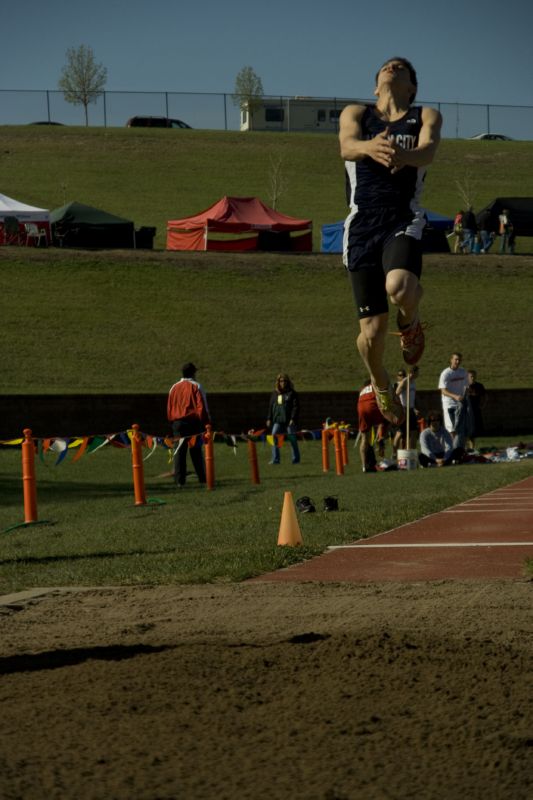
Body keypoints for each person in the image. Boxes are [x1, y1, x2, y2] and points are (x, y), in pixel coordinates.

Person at [339, 57, 442, 428]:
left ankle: (411, 322)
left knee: (399, 286)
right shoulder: (357, 113)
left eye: (401, 67)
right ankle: (380, 382)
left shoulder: (424, 115)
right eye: (386, 66)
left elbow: (428, 150)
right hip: (363, 225)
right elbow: (346, 146)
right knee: (372, 331)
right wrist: (370, 148)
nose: (392, 66)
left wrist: (405, 155)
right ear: (375, 85)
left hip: (402, 217)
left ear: (412, 87)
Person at [167, 362, 210, 486]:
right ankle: (202, 478)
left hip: (177, 423)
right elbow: (202, 407)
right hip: (193, 422)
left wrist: (172, 422)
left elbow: (169, 407)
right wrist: (207, 422)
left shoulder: (174, 387)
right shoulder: (196, 386)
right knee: (196, 450)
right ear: (193, 373)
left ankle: (180, 481)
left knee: (179, 452)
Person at [266, 373, 300, 464]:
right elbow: (271, 406)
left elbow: (296, 407)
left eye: (285, 381)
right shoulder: (275, 393)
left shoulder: (292, 393)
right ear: (278, 382)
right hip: (278, 420)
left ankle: (295, 459)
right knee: (273, 436)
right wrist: (269, 418)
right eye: (281, 381)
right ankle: (275, 459)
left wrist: (293, 418)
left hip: (289, 421)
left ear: (288, 382)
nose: (283, 382)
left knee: (292, 439)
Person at [438, 352, 470, 449]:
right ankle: (449, 449)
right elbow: (443, 390)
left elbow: (466, 387)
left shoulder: (463, 372)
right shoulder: (446, 373)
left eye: (459, 359)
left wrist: (464, 397)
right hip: (449, 404)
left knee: (462, 429)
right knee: (451, 429)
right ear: (451, 360)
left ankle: (460, 449)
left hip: (460, 404)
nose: (457, 361)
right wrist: (455, 396)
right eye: (455, 359)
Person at [357, 380, 390, 472]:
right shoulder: (376, 384)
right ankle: (380, 438)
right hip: (372, 405)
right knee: (385, 420)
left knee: (364, 438)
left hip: (361, 408)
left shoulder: (362, 390)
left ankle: (364, 466)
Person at [394, 364, 420, 451]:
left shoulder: (413, 382)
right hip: (404, 409)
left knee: (414, 432)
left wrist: (414, 408)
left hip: (411, 409)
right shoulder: (405, 381)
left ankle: (411, 451)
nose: (418, 374)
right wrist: (399, 408)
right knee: (400, 432)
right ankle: (394, 453)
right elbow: (396, 394)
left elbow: (412, 397)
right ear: (412, 372)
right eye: (417, 373)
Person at [467, 369, 487, 449]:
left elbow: (485, 397)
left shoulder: (479, 386)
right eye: (471, 376)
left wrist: (482, 405)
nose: (473, 378)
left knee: (473, 432)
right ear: (467, 377)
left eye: (474, 376)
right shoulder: (464, 386)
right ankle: (465, 448)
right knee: (466, 430)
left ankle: (472, 448)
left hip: (475, 411)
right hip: (467, 411)